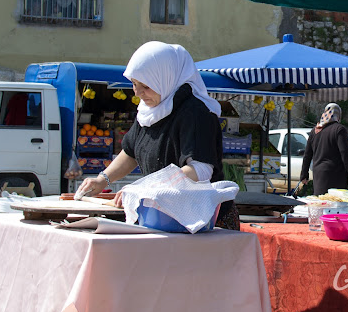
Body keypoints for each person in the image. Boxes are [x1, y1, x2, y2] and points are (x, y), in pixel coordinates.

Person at [75, 41, 240, 230]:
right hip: (164, 218)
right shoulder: (149, 112)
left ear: (165, 78)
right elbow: (130, 152)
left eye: (146, 85)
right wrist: (102, 179)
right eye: (135, 84)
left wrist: (144, 189)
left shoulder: (196, 114)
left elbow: (199, 171)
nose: (138, 93)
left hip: (205, 222)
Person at [300, 103, 348, 196]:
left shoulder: (315, 131)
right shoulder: (339, 129)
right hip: (336, 175)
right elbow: (345, 153)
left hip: (319, 175)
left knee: (321, 204)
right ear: (338, 115)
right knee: (334, 205)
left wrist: (304, 175)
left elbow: (307, 155)